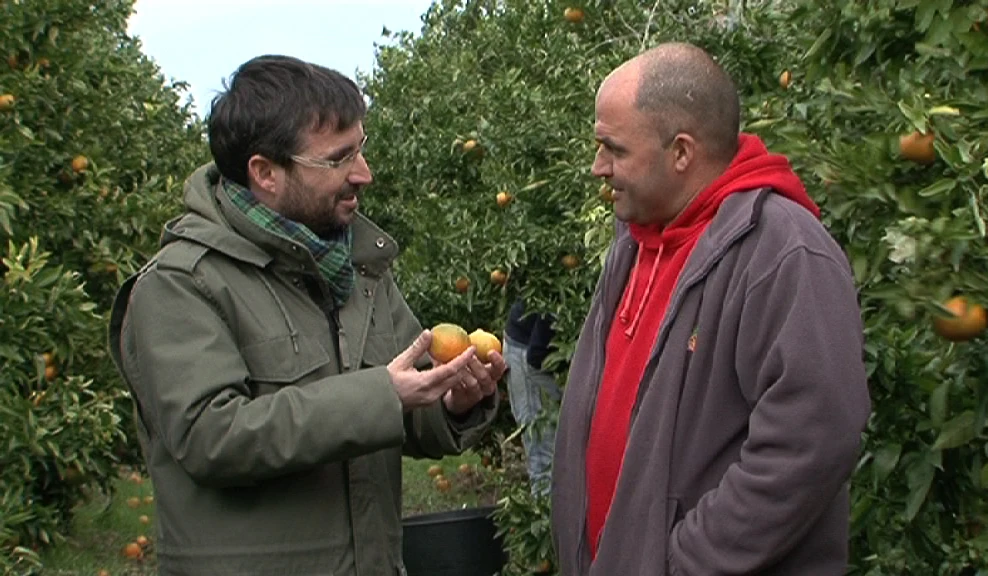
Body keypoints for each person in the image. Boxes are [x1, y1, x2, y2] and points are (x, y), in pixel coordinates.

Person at [108, 55, 504, 576]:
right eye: (338, 159)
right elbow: (210, 438)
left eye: (360, 149)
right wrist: (381, 394)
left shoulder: (357, 268)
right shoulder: (182, 283)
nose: (364, 174)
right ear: (265, 173)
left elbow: (404, 406)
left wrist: (451, 401)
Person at [550, 43, 871, 575]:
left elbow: (810, 441)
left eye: (614, 149)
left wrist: (683, 560)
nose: (597, 167)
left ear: (681, 151)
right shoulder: (637, 244)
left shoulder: (782, 253)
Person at [502, 298, 560, 496]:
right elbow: (536, 356)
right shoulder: (557, 294)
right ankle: (546, 521)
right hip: (528, 352)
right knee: (544, 459)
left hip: (546, 350)